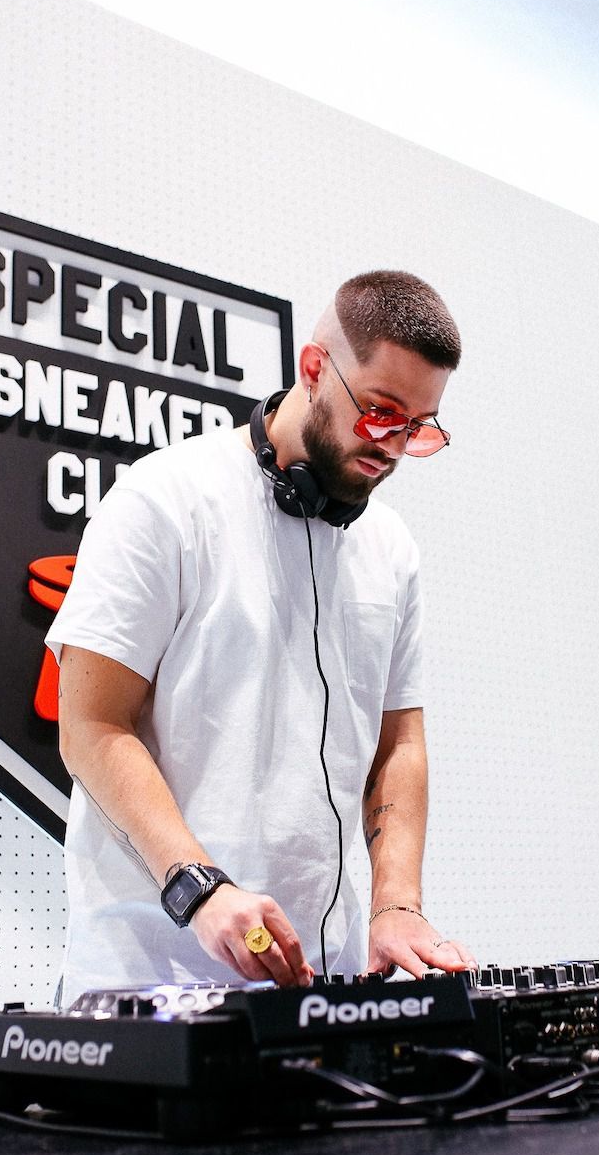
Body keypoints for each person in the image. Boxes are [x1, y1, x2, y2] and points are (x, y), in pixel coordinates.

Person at [47, 270, 476, 1005]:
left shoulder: (392, 548)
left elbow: (398, 742)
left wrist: (396, 905)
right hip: (151, 975)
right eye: (380, 414)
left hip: (323, 978)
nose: (394, 448)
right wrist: (201, 889)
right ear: (314, 369)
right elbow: (91, 726)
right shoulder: (165, 500)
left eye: (417, 428)